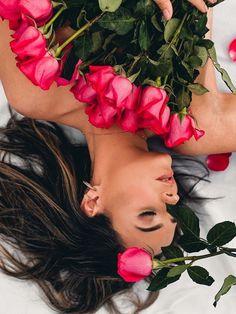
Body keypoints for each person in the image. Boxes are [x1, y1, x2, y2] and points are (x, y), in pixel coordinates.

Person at [0, 0, 233, 313]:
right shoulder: (195, 124)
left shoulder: (37, 90)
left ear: (94, 201)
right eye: (174, 209)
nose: (171, 195)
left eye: (148, 215)